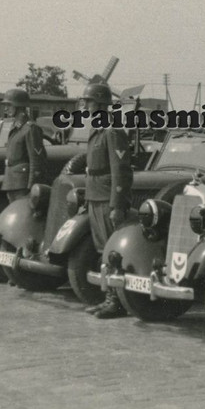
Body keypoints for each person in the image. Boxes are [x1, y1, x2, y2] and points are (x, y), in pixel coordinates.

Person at [81, 82, 133, 319]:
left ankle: (117, 301)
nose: (85, 105)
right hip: (95, 195)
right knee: (103, 250)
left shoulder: (112, 131)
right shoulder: (97, 130)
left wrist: (117, 204)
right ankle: (110, 297)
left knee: (112, 252)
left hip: (106, 197)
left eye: (89, 101)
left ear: (101, 104)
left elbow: (120, 170)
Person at [0, 88, 47, 204]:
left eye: (9, 105)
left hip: (23, 183)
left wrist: (32, 185)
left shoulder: (30, 129)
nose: (6, 108)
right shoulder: (15, 127)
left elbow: (36, 160)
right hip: (12, 181)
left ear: (19, 105)